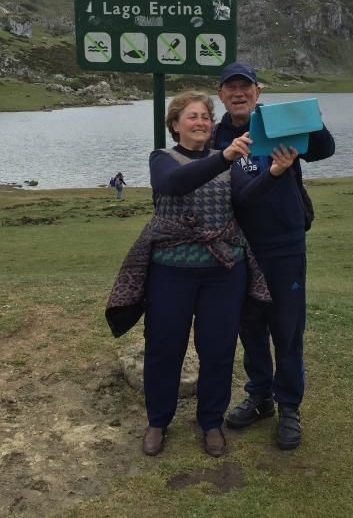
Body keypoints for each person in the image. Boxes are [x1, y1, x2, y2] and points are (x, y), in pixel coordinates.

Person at [106, 90, 296, 458]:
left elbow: (245, 200)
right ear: (175, 125)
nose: (201, 122)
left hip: (223, 272)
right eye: (192, 116)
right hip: (170, 272)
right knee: (164, 348)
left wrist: (273, 174)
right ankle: (158, 421)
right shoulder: (162, 158)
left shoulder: (229, 161)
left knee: (218, 349)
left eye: (206, 117)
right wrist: (225, 157)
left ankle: (211, 422)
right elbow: (173, 185)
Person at [213, 61, 336, 451]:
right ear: (221, 95)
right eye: (230, 88)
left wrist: (310, 120)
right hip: (239, 248)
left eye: (245, 87)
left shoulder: (278, 122)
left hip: (285, 246)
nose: (238, 93)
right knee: (250, 328)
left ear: (257, 91)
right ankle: (260, 396)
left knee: (287, 330)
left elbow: (324, 149)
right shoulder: (216, 139)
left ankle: (289, 407)